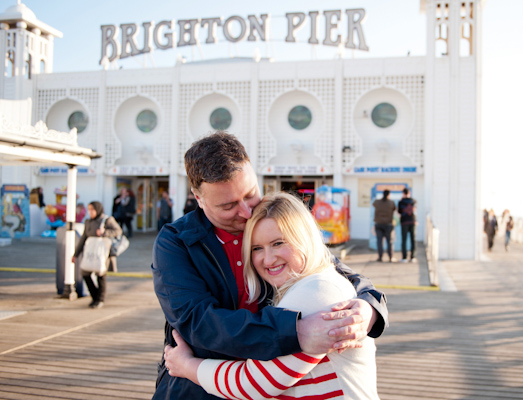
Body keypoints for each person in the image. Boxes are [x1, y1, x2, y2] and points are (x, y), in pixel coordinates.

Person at [152, 132, 388, 399]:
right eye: (228, 205)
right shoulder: (176, 242)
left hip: (265, 380)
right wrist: (295, 330)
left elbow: (326, 268)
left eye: (250, 194)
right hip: (198, 387)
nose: (245, 212)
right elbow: (198, 322)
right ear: (199, 198)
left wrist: (369, 307)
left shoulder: (268, 218)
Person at [72, 201, 122, 309]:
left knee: (101, 275)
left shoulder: (107, 220)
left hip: (103, 252)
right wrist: (76, 254)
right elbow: (83, 238)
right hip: (90, 251)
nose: (90, 212)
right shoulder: (88, 222)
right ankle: (94, 296)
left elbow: (118, 231)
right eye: (89, 209)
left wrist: (104, 233)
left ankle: (100, 299)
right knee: (85, 272)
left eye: (92, 209)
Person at [372, 189, 396, 262]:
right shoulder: (391, 203)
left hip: (378, 224)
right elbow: (394, 209)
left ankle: (380, 257)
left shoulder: (377, 202)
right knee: (389, 241)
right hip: (388, 224)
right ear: (389, 194)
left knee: (379, 241)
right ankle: (390, 257)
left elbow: (373, 204)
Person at [398, 188, 417, 263]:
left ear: (403, 193)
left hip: (404, 221)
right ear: (409, 193)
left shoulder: (401, 201)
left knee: (404, 240)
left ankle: (404, 257)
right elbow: (415, 210)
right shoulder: (414, 201)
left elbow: (399, 211)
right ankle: (412, 257)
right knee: (413, 239)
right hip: (412, 221)